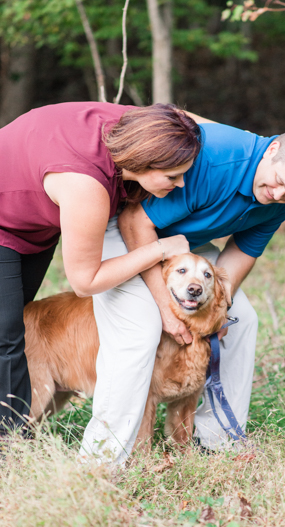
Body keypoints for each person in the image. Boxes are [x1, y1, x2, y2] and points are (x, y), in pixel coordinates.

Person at [79, 118, 285, 463]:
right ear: (272, 150)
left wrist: (221, 309)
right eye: (277, 184)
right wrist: (166, 308)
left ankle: (218, 439)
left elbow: (242, 252)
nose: (278, 196)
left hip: (184, 242)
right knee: (142, 325)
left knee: (244, 319)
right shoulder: (216, 161)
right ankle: (104, 457)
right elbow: (135, 221)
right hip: (127, 229)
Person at [0, 102, 201, 435]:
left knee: (15, 321)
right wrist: (160, 248)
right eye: (172, 176)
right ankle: (10, 445)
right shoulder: (87, 187)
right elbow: (85, 282)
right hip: (6, 216)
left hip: (33, 217)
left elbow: (194, 121)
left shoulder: (141, 126)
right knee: (6, 335)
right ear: (146, 160)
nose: (180, 185)